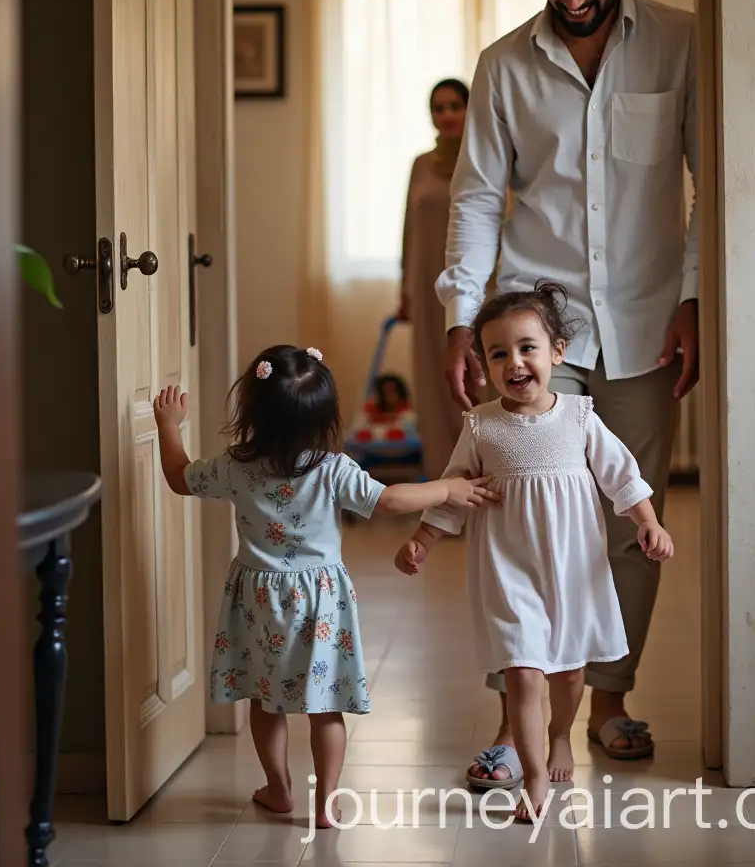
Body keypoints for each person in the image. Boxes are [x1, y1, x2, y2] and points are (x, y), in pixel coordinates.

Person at [436, 0, 699, 780]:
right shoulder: (504, 65)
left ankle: (612, 701)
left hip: (646, 323)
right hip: (533, 329)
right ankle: (518, 729)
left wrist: (695, 298)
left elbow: (714, 183)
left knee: (629, 517)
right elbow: (476, 196)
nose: (573, 1)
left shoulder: (684, 40)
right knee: (518, 520)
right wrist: (458, 317)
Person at [151, 345, 499, 830]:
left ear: (252, 409)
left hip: (258, 600)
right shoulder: (332, 469)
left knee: (265, 702)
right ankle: (327, 802)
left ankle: (278, 788)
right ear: (323, 417)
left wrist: (169, 425)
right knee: (325, 706)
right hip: (321, 600)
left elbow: (178, 477)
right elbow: (392, 501)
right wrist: (447, 490)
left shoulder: (234, 466)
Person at [394, 282, 674, 820]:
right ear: (484, 364)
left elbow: (623, 477)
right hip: (508, 568)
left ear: (557, 354)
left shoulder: (578, 416)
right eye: (499, 353)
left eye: (528, 348)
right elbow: (454, 490)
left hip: (572, 568)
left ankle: (561, 735)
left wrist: (649, 523)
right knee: (522, 671)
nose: (515, 362)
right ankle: (536, 774)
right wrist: (422, 541)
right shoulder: (481, 425)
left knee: (569, 673)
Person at [399, 78, 472, 481]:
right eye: (439, 108)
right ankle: (446, 486)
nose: (446, 115)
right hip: (427, 289)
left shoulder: (483, 157)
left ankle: (485, 479)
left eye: (454, 107)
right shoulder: (421, 164)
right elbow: (408, 229)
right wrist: (404, 289)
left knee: (475, 381)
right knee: (433, 382)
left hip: (475, 288)